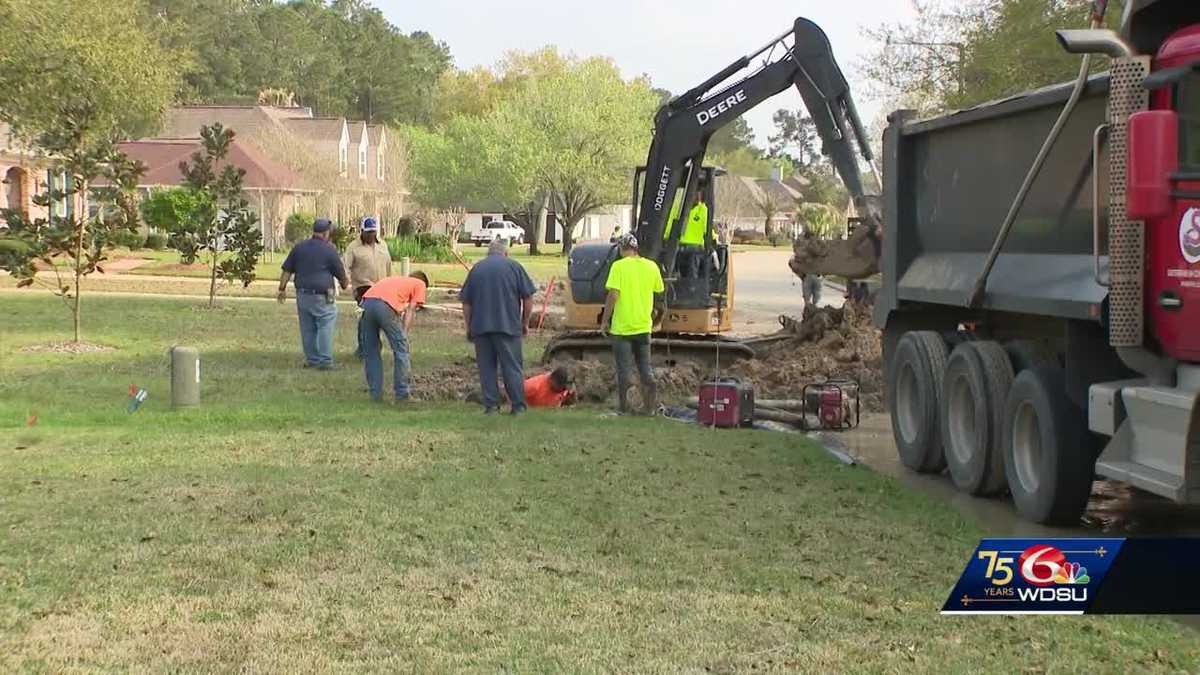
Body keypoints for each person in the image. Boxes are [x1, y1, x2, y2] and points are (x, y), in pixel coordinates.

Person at [460, 238, 537, 415]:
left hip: (481, 327)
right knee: (512, 367)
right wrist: (524, 323)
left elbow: (466, 303)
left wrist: (469, 326)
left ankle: (491, 406)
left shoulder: (477, 269)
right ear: (506, 252)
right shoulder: (514, 267)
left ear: (488, 253)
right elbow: (528, 298)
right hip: (508, 326)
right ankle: (517, 406)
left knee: (486, 368)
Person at [600, 233, 664, 415]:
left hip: (622, 328)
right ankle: (649, 407)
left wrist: (604, 321)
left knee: (624, 370)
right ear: (636, 248)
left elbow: (613, 295)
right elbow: (659, 293)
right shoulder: (651, 267)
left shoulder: (618, 267)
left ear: (621, 249)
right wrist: (657, 319)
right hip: (644, 326)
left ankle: (625, 408)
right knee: (645, 367)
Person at [278, 218, 349, 369]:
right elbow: (340, 272)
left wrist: (282, 289)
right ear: (326, 233)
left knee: (307, 327)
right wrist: (344, 284)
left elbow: (287, 270)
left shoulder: (299, 247)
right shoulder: (329, 249)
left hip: (302, 294)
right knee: (325, 324)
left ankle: (312, 360)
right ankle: (324, 361)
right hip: (323, 294)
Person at [360, 271, 428, 402]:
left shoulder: (395, 279)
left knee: (371, 351)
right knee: (401, 349)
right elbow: (411, 309)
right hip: (384, 306)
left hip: (366, 303)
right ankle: (402, 394)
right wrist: (404, 334)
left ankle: (375, 394)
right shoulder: (420, 284)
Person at [343, 217, 393, 359]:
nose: (371, 235)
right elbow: (346, 267)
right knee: (365, 317)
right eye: (368, 232)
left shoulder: (383, 245)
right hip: (363, 287)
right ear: (362, 231)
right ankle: (364, 348)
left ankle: (374, 345)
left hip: (381, 286)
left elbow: (388, 266)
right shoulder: (353, 247)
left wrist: (390, 284)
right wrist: (346, 284)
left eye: (373, 232)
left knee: (378, 317)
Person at [663, 192, 709, 279]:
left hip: (696, 246)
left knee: (693, 260)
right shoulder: (678, 209)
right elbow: (669, 224)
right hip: (680, 244)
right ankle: (671, 276)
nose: (695, 196)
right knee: (670, 256)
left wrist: (714, 238)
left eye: (697, 194)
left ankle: (692, 282)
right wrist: (665, 237)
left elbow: (707, 228)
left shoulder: (703, 210)